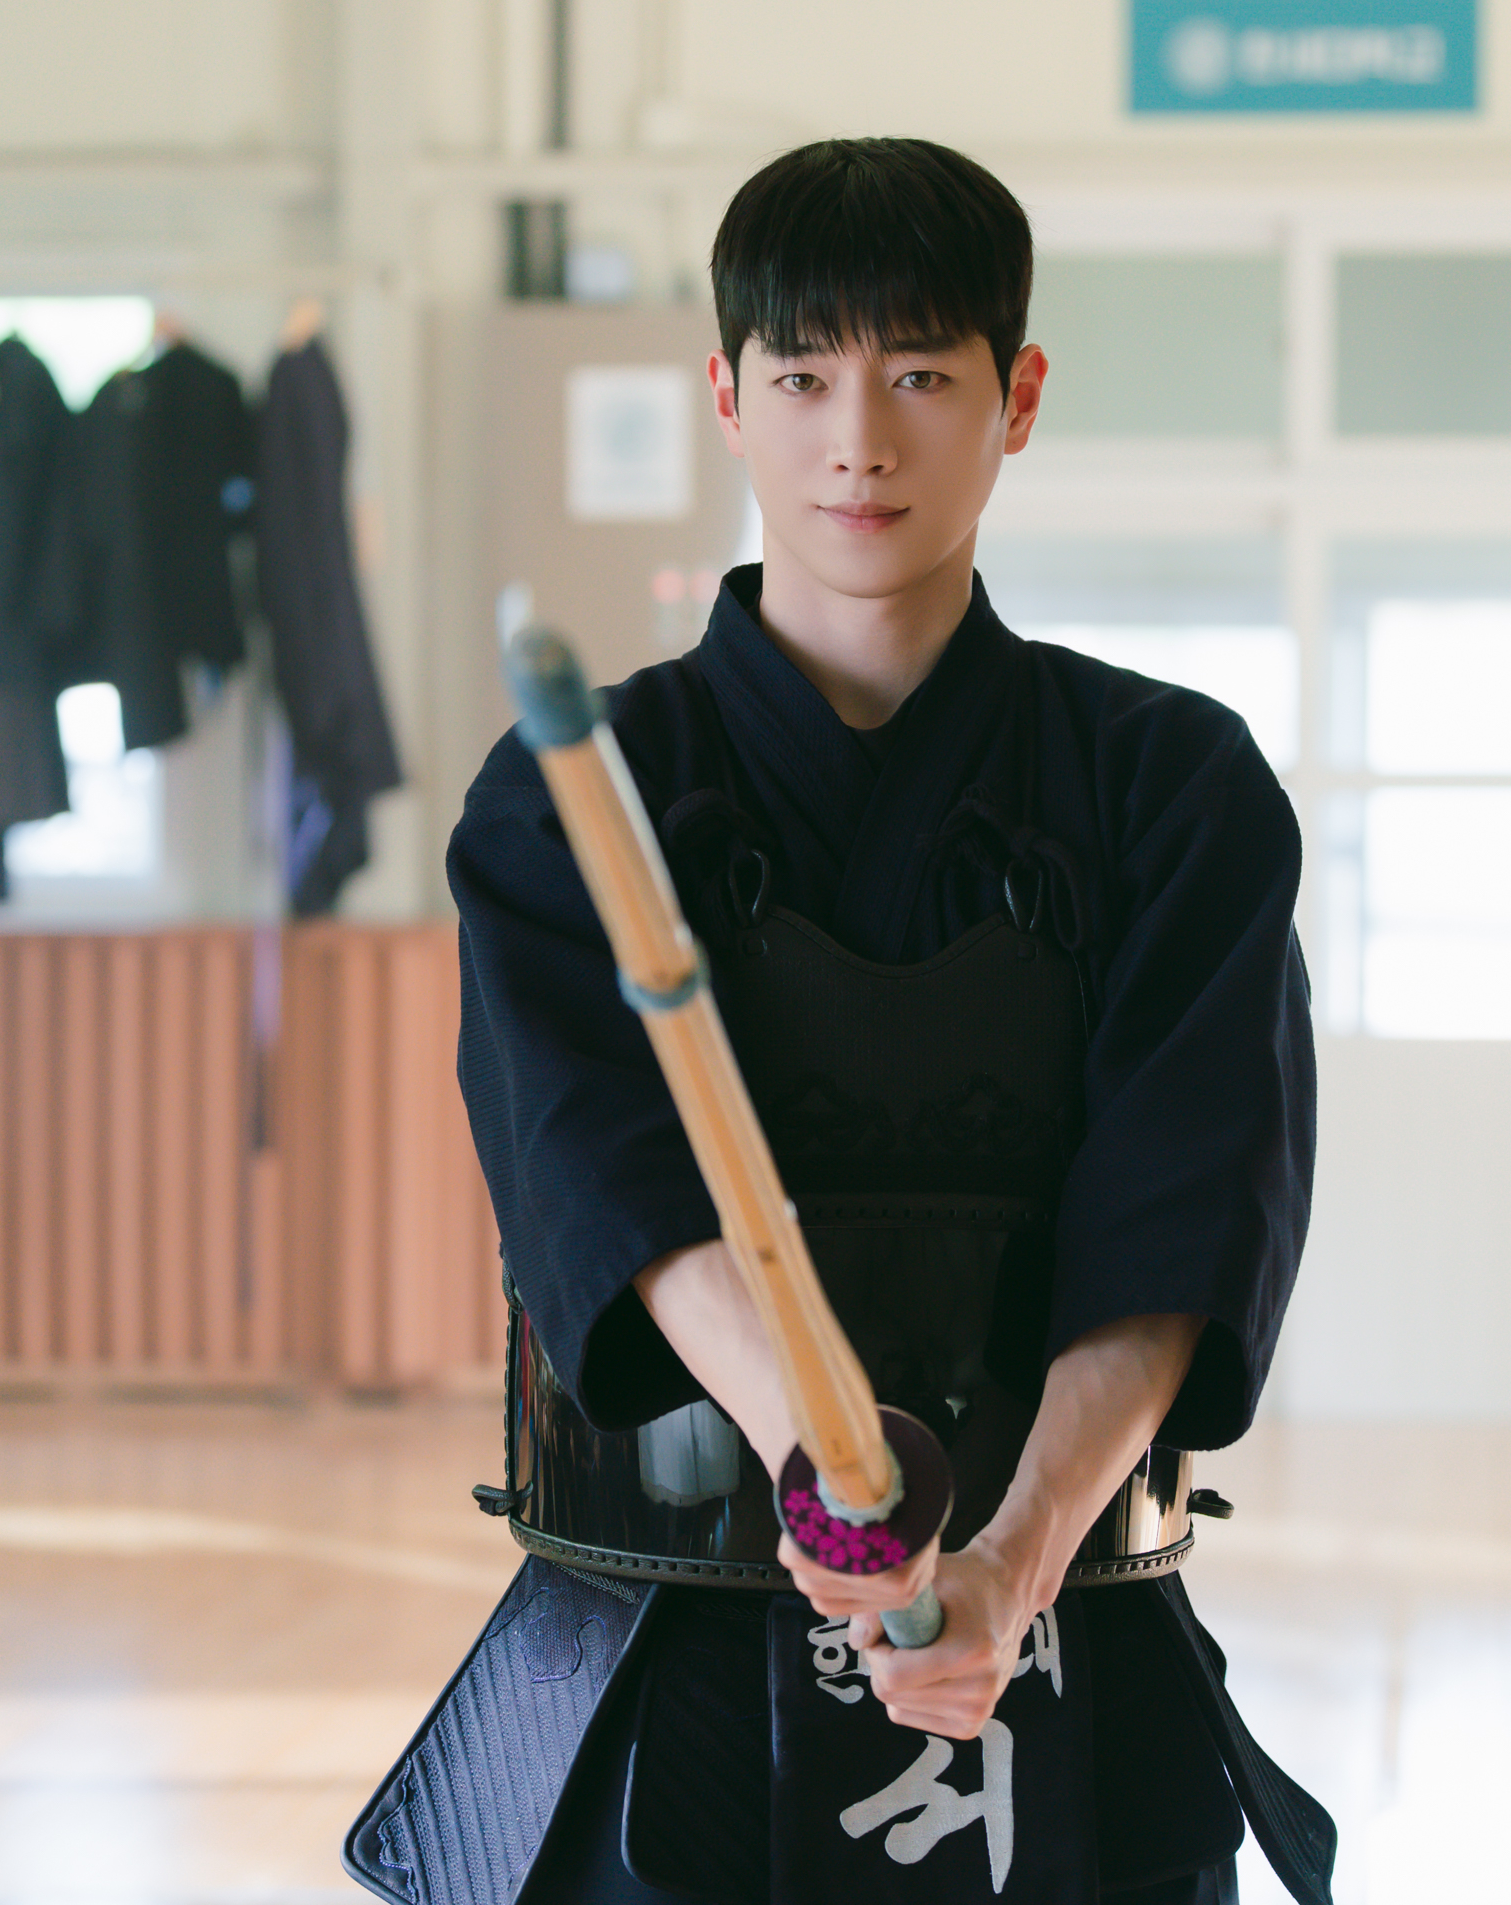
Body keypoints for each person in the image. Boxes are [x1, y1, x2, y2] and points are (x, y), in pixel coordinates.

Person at [348, 138, 1329, 1905]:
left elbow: (1182, 1223)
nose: (856, 439)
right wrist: (830, 1482)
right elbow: (606, 1190)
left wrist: (1011, 1556)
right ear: (727, 396)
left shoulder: (1172, 792)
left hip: (1069, 1626)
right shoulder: (579, 797)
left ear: (1018, 397)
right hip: (670, 1645)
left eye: (922, 375)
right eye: (801, 376)